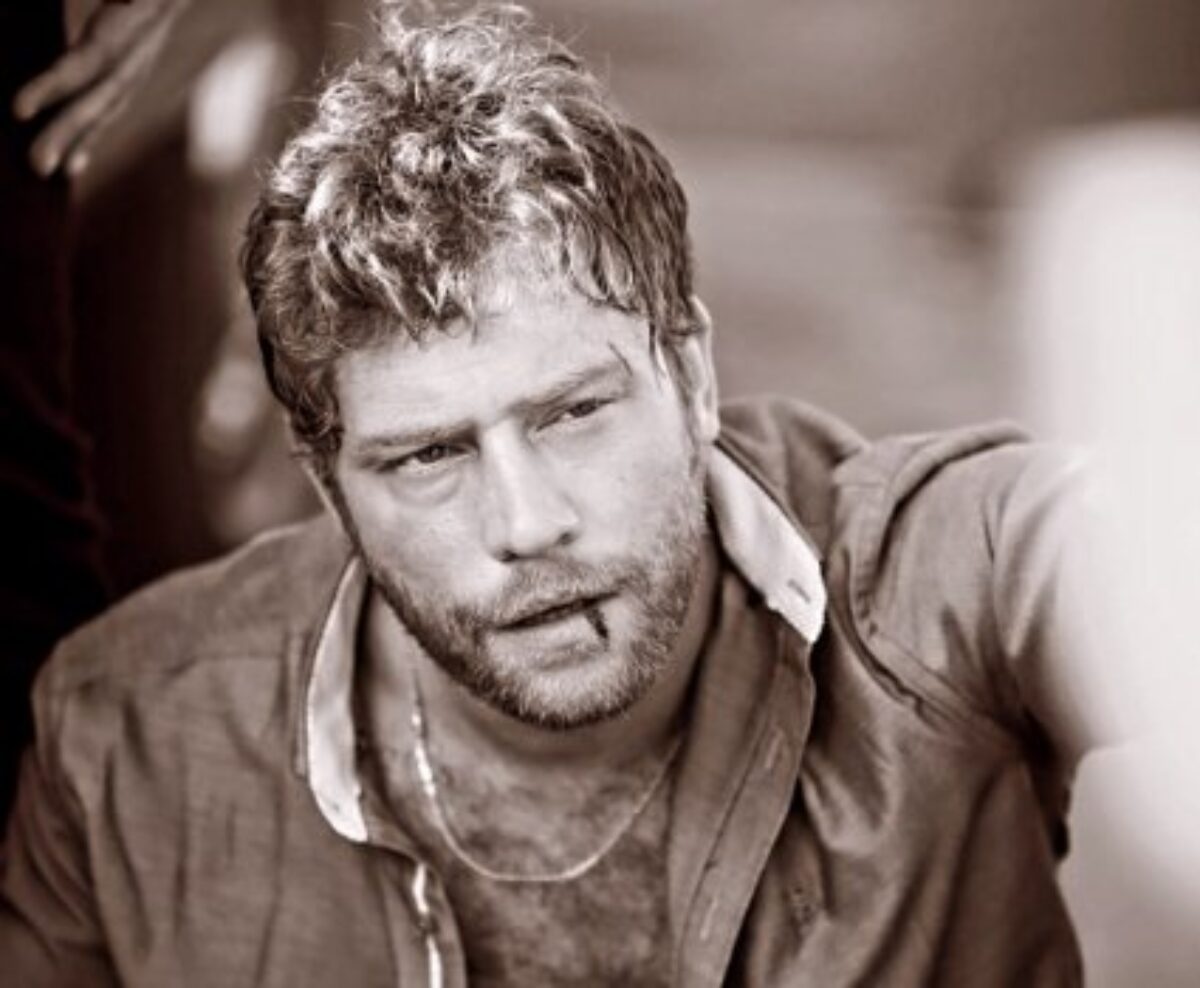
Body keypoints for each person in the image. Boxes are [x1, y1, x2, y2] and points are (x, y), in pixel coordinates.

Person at [0, 5, 1119, 985]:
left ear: (692, 375)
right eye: (428, 457)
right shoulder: (124, 747)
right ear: (326, 485)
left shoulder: (938, 589)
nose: (529, 524)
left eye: (575, 413)